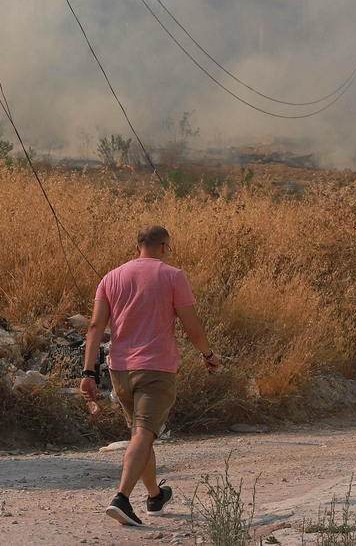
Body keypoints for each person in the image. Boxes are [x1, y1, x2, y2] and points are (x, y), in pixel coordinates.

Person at [80, 224, 221, 527]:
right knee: (144, 434)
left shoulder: (111, 277)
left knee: (139, 435)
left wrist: (88, 372)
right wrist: (209, 356)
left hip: (120, 370)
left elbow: (94, 328)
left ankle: (156, 496)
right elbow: (192, 326)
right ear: (164, 247)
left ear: (137, 248)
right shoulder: (173, 276)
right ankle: (121, 498)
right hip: (156, 369)